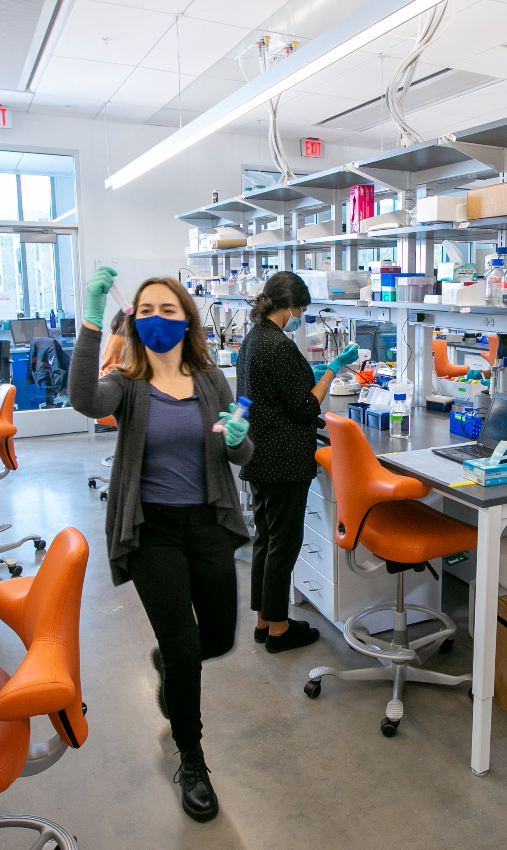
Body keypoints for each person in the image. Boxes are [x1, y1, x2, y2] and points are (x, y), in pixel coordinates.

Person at [68, 267, 253, 824]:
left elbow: (237, 453)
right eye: (144, 310)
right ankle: (192, 761)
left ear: (187, 319)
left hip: (209, 524)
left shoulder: (210, 379)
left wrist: (241, 441)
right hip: (151, 532)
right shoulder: (126, 384)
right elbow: (82, 399)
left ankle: (170, 661)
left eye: (167, 310)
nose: (156, 319)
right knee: (183, 648)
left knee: (216, 638)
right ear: (133, 319)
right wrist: (92, 319)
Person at [236, 270, 358, 653]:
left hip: (259, 453)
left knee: (266, 539)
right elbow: (306, 408)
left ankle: (263, 620)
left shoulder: (255, 338)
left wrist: (311, 375)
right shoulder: (278, 346)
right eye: (301, 309)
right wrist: (333, 370)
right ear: (289, 307)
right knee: (283, 545)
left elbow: (272, 390)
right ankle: (278, 631)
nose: (301, 315)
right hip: (282, 459)